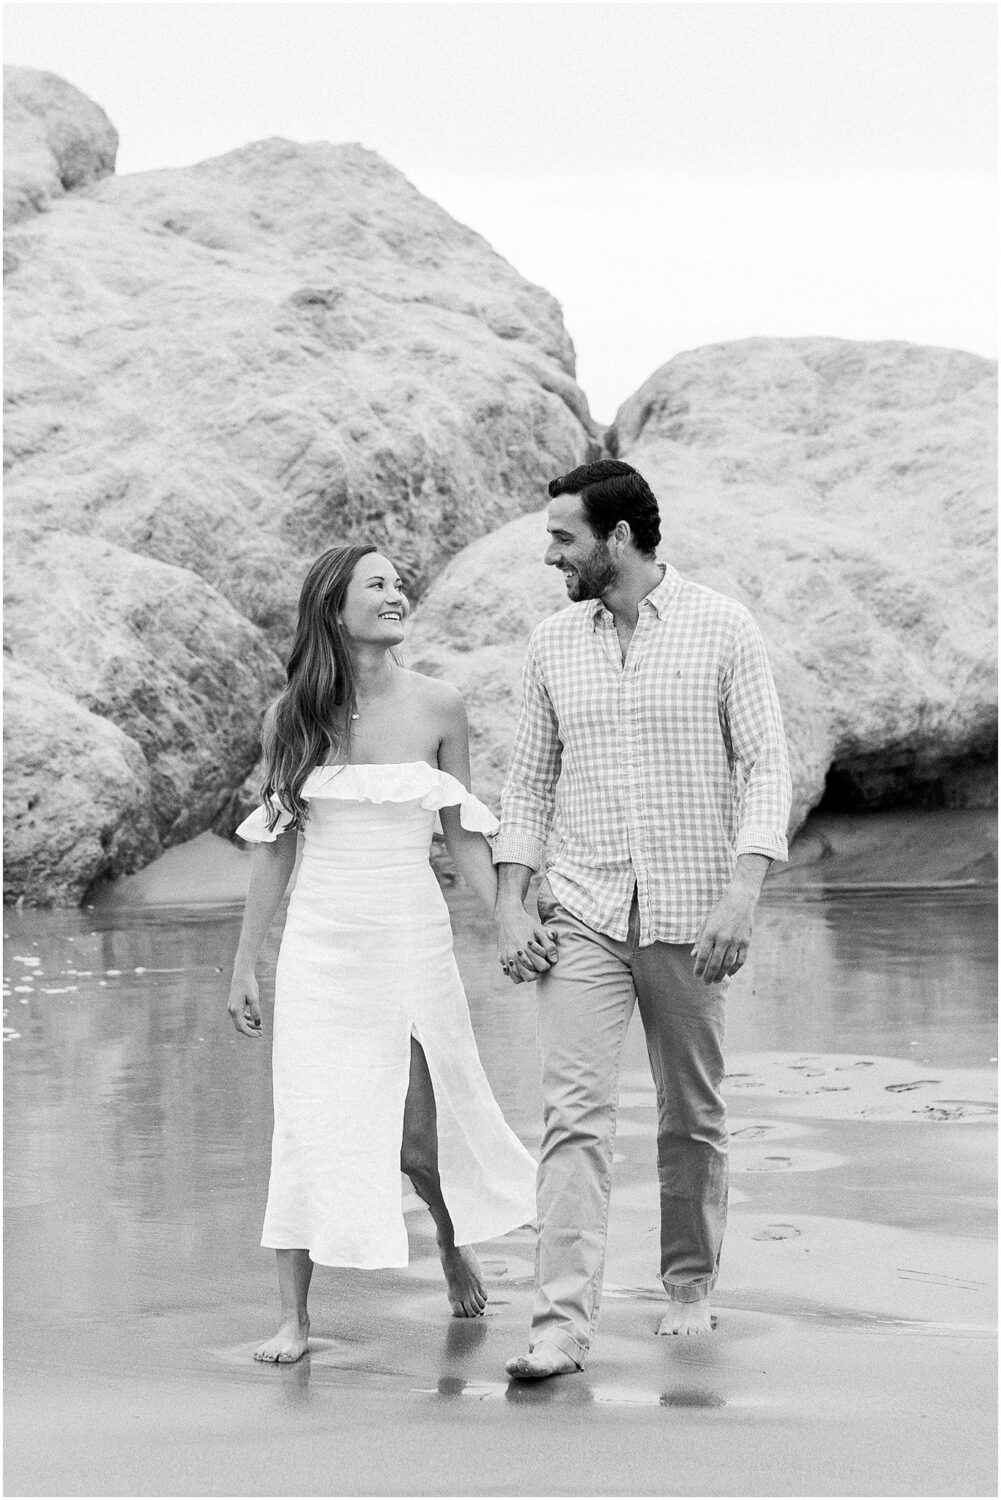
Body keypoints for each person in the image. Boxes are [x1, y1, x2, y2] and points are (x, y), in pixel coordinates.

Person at [493, 459, 792, 1381]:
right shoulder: (553, 642)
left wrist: (741, 892)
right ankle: (559, 1325)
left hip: (691, 911)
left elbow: (765, 768)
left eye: (563, 538)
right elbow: (528, 784)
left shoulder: (720, 626)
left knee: (689, 1114)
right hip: (581, 908)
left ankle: (688, 1284)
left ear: (616, 539)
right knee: (573, 1116)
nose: (551, 555)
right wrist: (509, 903)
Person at [227, 542, 537, 1363]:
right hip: (321, 949)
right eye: (378, 584)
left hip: (409, 937)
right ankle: (294, 1318)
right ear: (335, 609)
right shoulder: (290, 718)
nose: (397, 593)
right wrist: (244, 963)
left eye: (399, 583)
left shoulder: (440, 706)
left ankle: (448, 1235)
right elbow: (274, 848)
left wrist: (507, 915)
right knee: (305, 1125)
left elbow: (464, 835)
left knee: (415, 1140)